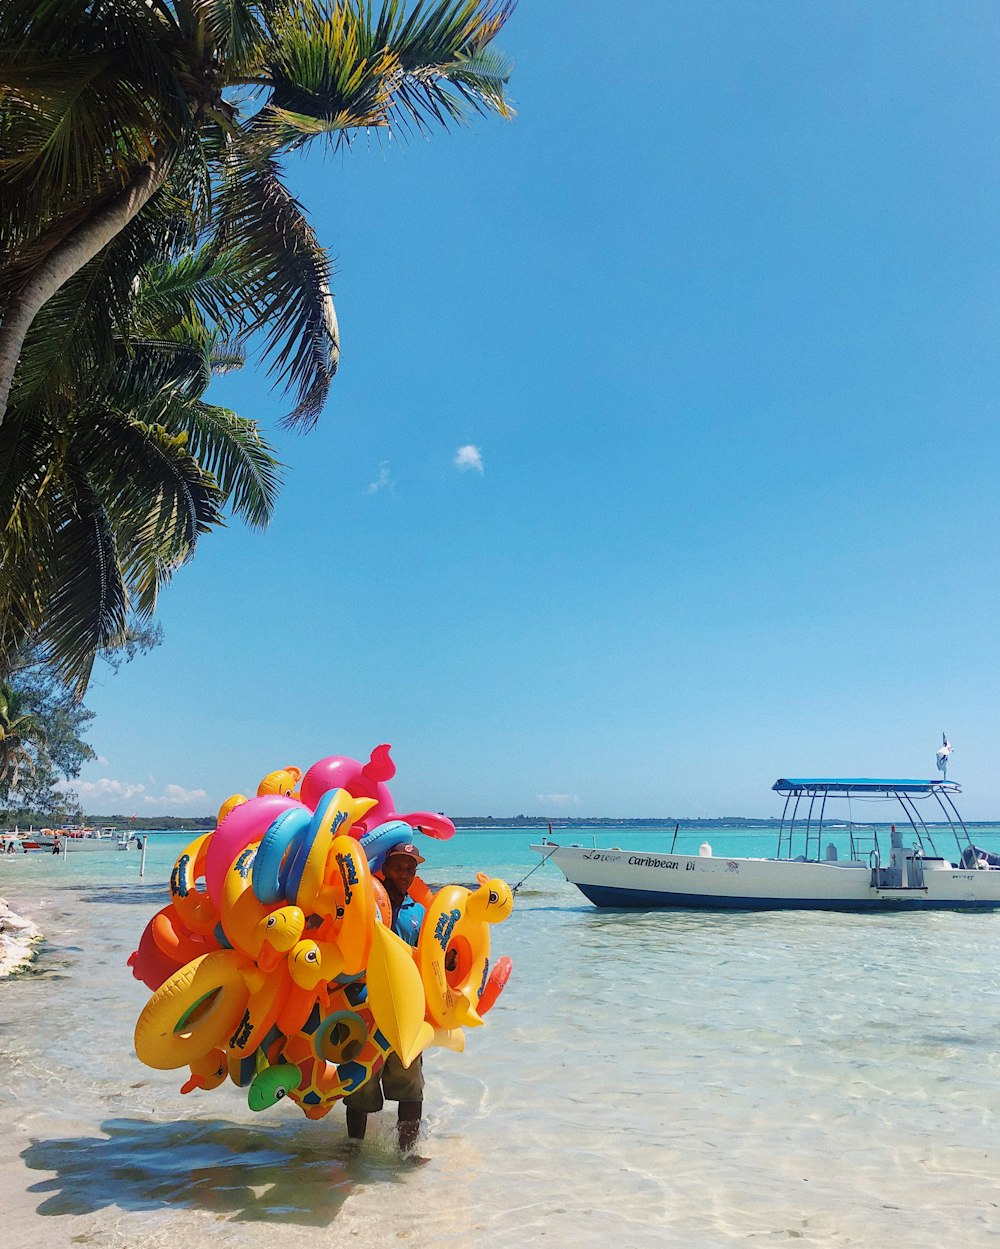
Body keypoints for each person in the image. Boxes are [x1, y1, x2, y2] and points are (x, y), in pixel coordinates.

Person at [344, 841, 427, 1151]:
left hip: (404, 1011)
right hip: (364, 1006)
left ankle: (408, 1155)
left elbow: (427, 958)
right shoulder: (365, 905)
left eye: (411, 869)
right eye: (398, 867)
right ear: (385, 868)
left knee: (410, 1085)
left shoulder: (418, 912)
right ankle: (353, 1149)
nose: (404, 874)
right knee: (359, 1085)